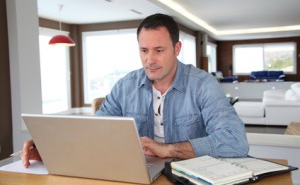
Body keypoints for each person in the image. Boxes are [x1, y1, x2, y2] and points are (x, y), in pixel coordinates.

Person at [22, 13, 249, 168]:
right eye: (144, 50)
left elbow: (235, 141)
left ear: (177, 48)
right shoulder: (125, 86)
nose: (150, 60)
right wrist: (49, 149)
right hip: (139, 174)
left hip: (190, 175)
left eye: (159, 50)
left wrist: (167, 150)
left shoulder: (202, 84)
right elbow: (95, 133)